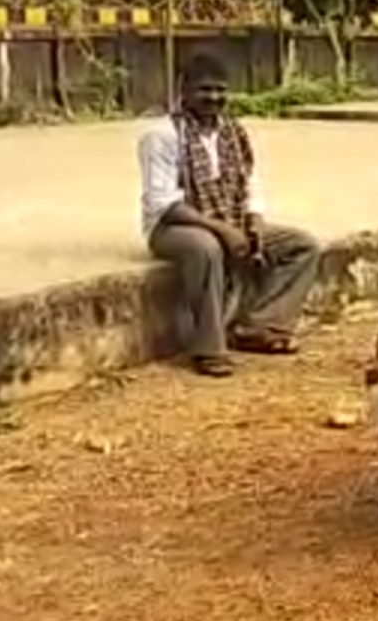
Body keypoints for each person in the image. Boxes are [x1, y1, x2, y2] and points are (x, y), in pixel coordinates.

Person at [138, 54, 322, 378]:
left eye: (221, 91)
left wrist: (254, 222)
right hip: (174, 226)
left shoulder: (233, 132)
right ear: (184, 90)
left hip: (229, 218)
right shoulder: (162, 135)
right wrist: (223, 230)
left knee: (302, 246)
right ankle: (209, 348)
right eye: (204, 90)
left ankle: (259, 327)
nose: (214, 98)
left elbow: (250, 181)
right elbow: (162, 203)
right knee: (205, 248)